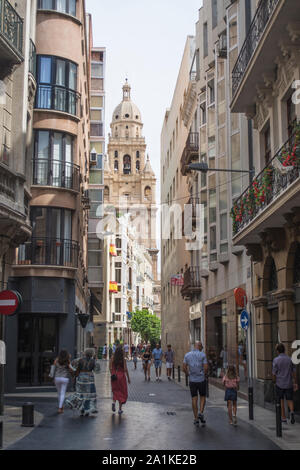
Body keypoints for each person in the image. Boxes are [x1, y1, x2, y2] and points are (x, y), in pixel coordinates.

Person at [65, 348, 97, 416]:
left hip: (81, 377)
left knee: (81, 393)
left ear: (85, 353)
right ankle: (87, 409)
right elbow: (97, 370)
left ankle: (81, 407)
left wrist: (74, 373)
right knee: (88, 394)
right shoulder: (93, 361)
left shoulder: (80, 360)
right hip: (90, 378)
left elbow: (73, 367)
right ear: (92, 354)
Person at [183, 342, 208, 427]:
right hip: (201, 379)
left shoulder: (187, 355)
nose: (202, 348)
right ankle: (201, 412)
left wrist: (188, 374)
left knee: (194, 398)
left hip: (192, 380)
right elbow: (206, 367)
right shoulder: (203, 355)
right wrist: (204, 374)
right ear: (199, 346)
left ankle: (196, 418)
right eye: (202, 346)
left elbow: (184, 367)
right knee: (203, 396)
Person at [272, 343, 298, 424]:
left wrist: (274, 381)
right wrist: (295, 382)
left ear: (277, 351)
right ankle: (292, 412)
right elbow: (294, 372)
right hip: (289, 383)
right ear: (284, 350)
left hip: (279, 383)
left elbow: (274, 373)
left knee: (281, 400)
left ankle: (283, 417)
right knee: (290, 399)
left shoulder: (276, 360)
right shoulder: (289, 359)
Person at [110, 345, 130, 414]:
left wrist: (112, 374)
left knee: (115, 391)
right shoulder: (123, 359)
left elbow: (110, 368)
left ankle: (113, 402)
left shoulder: (112, 358)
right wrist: (128, 378)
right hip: (121, 377)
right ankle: (120, 409)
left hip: (114, 376)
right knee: (121, 392)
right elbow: (125, 369)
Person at [53, 350, 73, 414]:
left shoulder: (56, 360)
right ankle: (60, 407)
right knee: (62, 393)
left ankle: (60, 407)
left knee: (59, 393)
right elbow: (71, 369)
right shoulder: (67, 361)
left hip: (57, 378)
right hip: (64, 379)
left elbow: (53, 368)